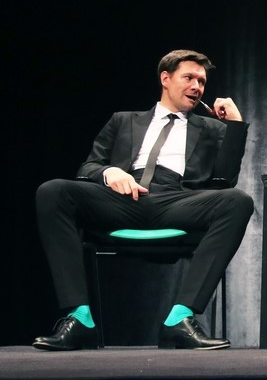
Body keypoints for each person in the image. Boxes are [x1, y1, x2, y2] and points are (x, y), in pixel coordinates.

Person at [33, 49, 254, 351]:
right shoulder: (123, 120)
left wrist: (236, 126)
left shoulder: (212, 129)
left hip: (177, 201)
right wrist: (110, 172)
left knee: (237, 201)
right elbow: (88, 167)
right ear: (166, 78)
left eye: (202, 82)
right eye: (189, 78)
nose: (197, 87)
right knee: (52, 191)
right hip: (123, 200)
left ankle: (180, 318)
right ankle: (80, 318)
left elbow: (224, 182)